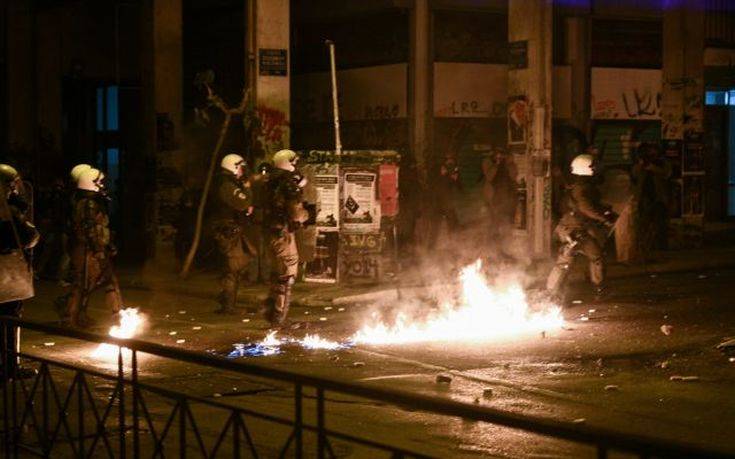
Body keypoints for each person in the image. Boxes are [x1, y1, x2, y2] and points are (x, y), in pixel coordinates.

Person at [546, 154, 617, 302]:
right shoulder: (581, 188)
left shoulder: (578, 186)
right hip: (574, 231)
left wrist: (604, 211)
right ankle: (552, 295)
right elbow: (585, 207)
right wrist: (603, 218)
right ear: (587, 170)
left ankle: (552, 294)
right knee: (577, 260)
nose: (598, 171)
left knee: (576, 260)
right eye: (594, 168)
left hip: (572, 230)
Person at [65, 168, 123, 327]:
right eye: (99, 182)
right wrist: (98, 250)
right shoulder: (89, 203)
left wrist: (106, 245)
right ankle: (73, 317)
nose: (102, 184)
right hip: (88, 250)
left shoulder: (85, 201)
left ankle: (75, 317)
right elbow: (90, 228)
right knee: (87, 284)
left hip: (90, 248)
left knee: (85, 284)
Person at [0, 164, 40, 380]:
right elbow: (27, 237)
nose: (12, 189)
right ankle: (9, 365)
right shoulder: (5, 212)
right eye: (9, 185)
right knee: (10, 318)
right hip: (5, 274)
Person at [262, 149, 309, 327]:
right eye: (294, 162)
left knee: (278, 273)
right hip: (283, 233)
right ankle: (280, 318)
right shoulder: (286, 183)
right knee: (287, 274)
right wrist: (305, 215)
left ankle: (273, 313)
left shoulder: (270, 181)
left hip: (271, 232)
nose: (296, 166)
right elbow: (296, 214)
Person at [211, 153, 255, 314]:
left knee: (237, 264)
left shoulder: (226, 183)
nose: (243, 171)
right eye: (240, 168)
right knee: (232, 268)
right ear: (233, 167)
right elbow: (243, 202)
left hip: (229, 229)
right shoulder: (227, 185)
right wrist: (248, 190)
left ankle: (227, 301)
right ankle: (228, 306)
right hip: (228, 231)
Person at [633, 143, 672, 256]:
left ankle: (661, 247)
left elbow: (667, 173)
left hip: (659, 197)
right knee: (644, 223)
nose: (651, 153)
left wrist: (654, 168)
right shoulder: (641, 163)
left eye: (652, 151)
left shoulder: (662, 162)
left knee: (660, 223)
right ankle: (645, 247)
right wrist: (641, 166)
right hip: (644, 198)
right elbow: (635, 175)